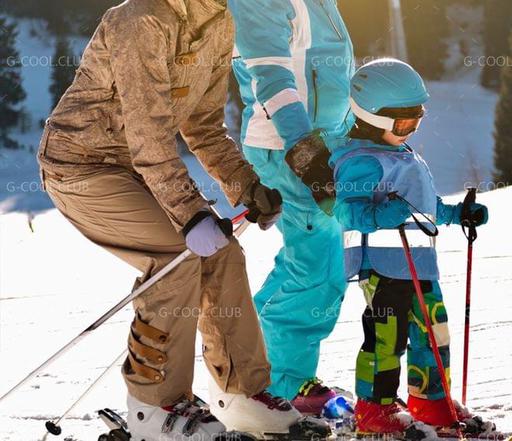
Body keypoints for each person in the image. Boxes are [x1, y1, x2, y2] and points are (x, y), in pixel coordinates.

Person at [37, 0, 314, 439]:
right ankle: (154, 406)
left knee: (223, 254)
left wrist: (246, 186)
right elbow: (148, 133)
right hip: (83, 166)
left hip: (143, 167)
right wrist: (190, 215)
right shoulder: (139, 20)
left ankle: (241, 394)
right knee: (177, 255)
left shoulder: (220, 21)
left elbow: (203, 127)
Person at [331, 59, 493, 436]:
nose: (410, 131)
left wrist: (457, 214)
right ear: (370, 117)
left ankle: (431, 401)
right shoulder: (361, 161)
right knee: (388, 338)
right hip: (384, 270)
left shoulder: (401, 155)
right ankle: (375, 409)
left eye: (416, 122)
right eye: (403, 124)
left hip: (419, 265)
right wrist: (383, 214)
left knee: (434, 334)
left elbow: (424, 206)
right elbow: (346, 211)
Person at [226, 0, 354, 414]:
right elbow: (272, 78)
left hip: (321, 143)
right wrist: (304, 150)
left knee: (308, 264)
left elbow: (331, 74)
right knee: (317, 272)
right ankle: (283, 384)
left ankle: (249, 361)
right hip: (287, 146)